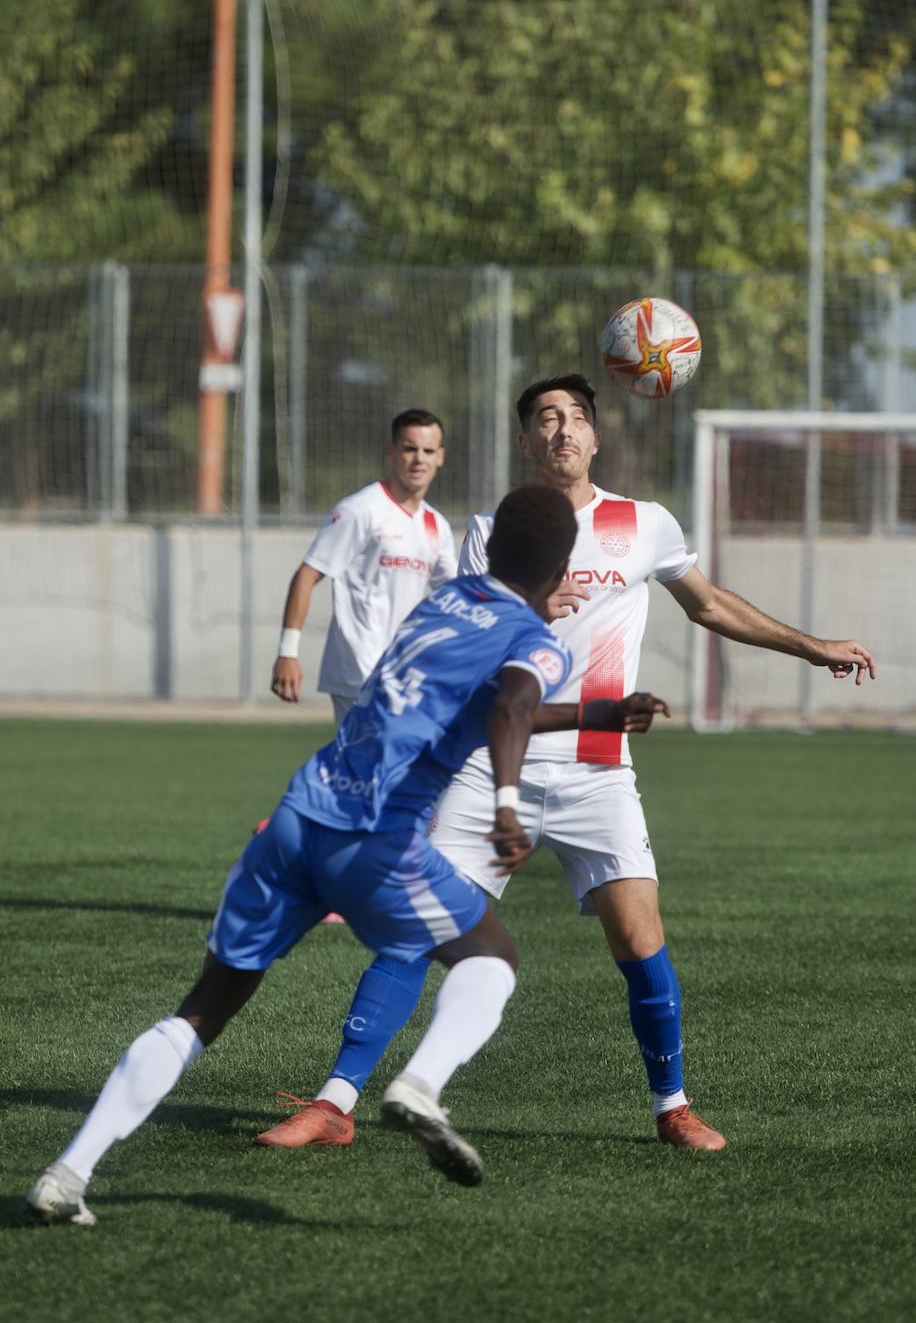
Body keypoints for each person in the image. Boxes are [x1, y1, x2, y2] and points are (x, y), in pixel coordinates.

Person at [258, 373, 877, 1154]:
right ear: (525, 443)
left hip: (597, 768)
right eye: (546, 419)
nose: (562, 430)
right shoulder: (493, 531)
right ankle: (335, 1103)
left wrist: (814, 648)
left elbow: (712, 604)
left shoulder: (643, 523)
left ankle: (674, 1106)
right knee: (413, 930)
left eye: (576, 417)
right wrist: (517, 611)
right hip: (495, 765)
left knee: (639, 937)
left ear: (596, 436)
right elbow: (471, 634)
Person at [26, 485, 670, 1225]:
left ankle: (68, 1173)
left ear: (489, 552)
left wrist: (599, 712)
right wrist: (503, 803)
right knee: (491, 957)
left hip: (294, 821)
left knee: (202, 1010)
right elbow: (510, 707)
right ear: (562, 567)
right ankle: (419, 1085)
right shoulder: (536, 641)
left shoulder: (443, 599)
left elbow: (478, 705)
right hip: (372, 836)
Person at [271, 408, 456, 725]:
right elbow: (306, 575)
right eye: (409, 449)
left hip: (406, 675)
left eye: (427, 451)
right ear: (392, 450)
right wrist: (288, 652)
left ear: (440, 456)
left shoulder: (436, 525)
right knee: (368, 770)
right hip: (359, 673)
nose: (418, 460)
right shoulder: (361, 510)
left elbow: (456, 593)